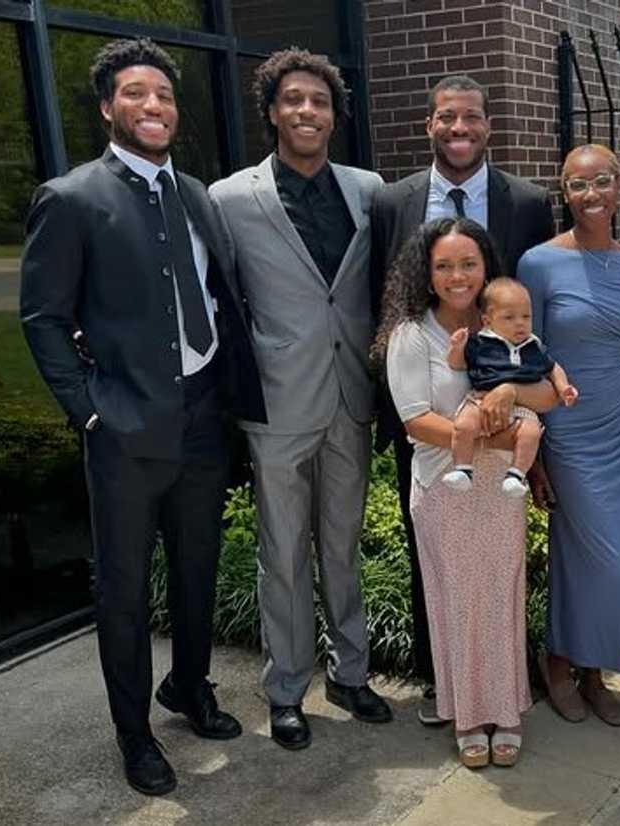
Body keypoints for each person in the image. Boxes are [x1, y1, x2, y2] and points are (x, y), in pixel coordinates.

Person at [19, 38, 266, 795]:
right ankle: (134, 734)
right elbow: (41, 318)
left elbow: (218, 294)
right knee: (124, 593)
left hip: (200, 419)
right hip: (124, 431)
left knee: (197, 573)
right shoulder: (72, 199)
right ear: (106, 107)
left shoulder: (194, 193)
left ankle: (187, 690)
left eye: (163, 93)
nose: (154, 104)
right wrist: (91, 413)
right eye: (136, 93)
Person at [208, 48, 391, 752]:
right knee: (283, 552)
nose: (306, 111)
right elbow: (219, 300)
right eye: (293, 100)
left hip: (351, 397)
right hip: (279, 402)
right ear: (272, 111)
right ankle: (286, 688)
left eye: (318, 100)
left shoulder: (369, 191)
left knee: (341, 546)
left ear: (335, 114)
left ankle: (351, 673)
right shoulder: (229, 198)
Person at [370, 74, 555, 724]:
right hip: (429, 428)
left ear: (488, 125)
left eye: (471, 117)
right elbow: (380, 298)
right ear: (429, 124)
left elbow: (530, 311)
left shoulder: (528, 203)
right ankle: (443, 682)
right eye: (446, 117)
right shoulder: (391, 203)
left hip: (504, 421)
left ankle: (502, 682)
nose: (459, 128)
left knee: (499, 568)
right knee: (438, 566)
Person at [518, 144, 620, 727]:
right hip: (569, 431)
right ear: (564, 193)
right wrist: (539, 453)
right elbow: (528, 358)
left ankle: (595, 673)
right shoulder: (538, 263)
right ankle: (557, 666)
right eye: (579, 185)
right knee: (589, 555)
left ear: (619, 187)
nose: (591, 194)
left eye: (602, 181)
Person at [443, 277, 578, 497]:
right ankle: (462, 469)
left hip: (521, 405)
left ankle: (516, 475)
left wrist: (564, 388)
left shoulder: (533, 346)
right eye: (509, 317)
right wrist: (457, 348)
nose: (520, 323)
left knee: (531, 433)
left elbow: (553, 368)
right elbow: (457, 364)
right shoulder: (480, 343)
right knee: (463, 425)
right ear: (487, 321)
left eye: (526, 317)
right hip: (481, 399)